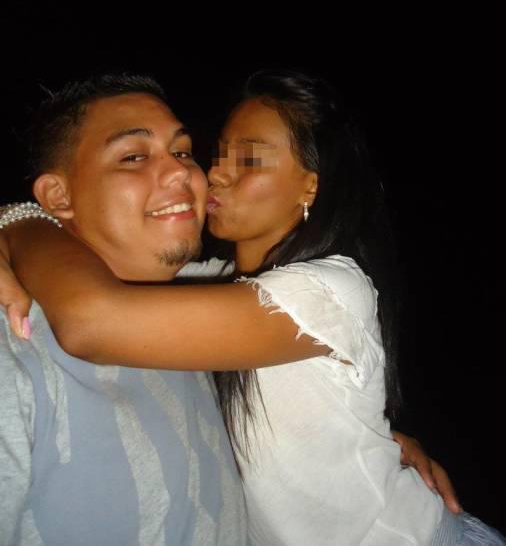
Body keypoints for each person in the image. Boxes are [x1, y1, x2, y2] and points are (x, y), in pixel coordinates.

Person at [0, 71, 487, 544]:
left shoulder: (330, 291)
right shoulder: (200, 289)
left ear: (310, 187)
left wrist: (20, 222)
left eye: (248, 159)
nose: (207, 172)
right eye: (134, 156)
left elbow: (95, 321)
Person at [0, 75, 248, 546]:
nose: (181, 173)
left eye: (183, 152)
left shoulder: (210, 306)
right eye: (134, 157)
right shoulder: (16, 342)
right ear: (58, 197)